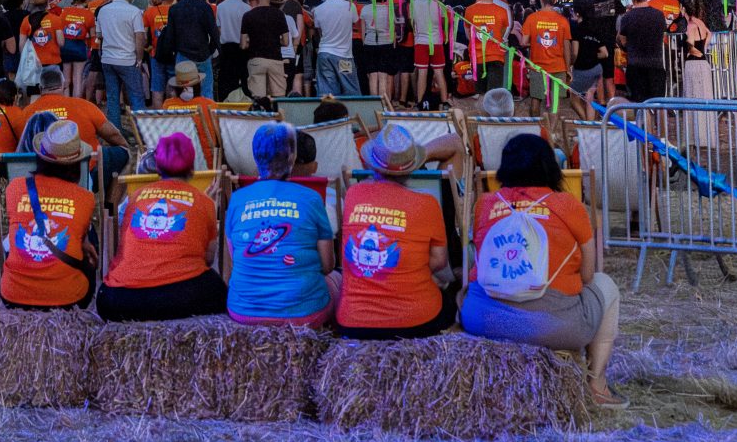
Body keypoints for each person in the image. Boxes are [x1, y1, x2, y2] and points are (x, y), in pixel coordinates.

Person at [461, 133, 623, 405]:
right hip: (552, 327)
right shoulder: (568, 205)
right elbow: (587, 275)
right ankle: (597, 385)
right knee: (606, 285)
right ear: (550, 165)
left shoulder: (485, 204)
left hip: (482, 320)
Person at [334, 125, 456, 340]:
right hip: (416, 320)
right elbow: (438, 262)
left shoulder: (354, 194)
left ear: (372, 163)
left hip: (353, 322)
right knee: (452, 297)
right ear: (413, 167)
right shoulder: (427, 204)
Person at [97, 134, 225, 321]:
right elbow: (208, 258)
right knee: (219, 290)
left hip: (118, 299)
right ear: (191, 165)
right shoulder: (203, 201)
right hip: (175, 297)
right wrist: (208, 209)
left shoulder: (136, 196)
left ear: (158, 165)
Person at [225, 121, 339, 325]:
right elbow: (327, 265)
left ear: (255, 157)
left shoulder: (237, 199)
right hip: (304, 315)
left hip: (243, 311)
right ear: (292, 158)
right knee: (338, 280)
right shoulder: (311, 198)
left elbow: (237, 259)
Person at [0, 120, 101, 310]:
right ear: (76, 164)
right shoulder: (85, 198)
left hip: (13, 297)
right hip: (68, 300)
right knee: (87, 233)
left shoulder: (14, 188)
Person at [95, 0, 149, 125]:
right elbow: (140, 37)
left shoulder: (103, 10)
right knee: (136, 97)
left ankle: (115, 133)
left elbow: (99, 35)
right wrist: (139, 58)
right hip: (128, 60)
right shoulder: (134, 11)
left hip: (108, 60)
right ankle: (142, 132)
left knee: (112, 98)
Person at [159, 0, 220, 101]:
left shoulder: (175, 9)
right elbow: (214, 32)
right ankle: (207, 117)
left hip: (183, 54)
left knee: (183, 92)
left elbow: (170, 35)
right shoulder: (205, 7)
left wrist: (169, 54)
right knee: (207, 92)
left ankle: (187, 119)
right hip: (203, 53)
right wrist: (211, 50)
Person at [521, 0, 574, 112]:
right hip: (558, 66)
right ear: (555, 1)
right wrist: (568, 67)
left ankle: (536, 127)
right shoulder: (562, 20)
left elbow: (523, 42)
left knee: (536, 98)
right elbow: (566, 47)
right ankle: (553, 130)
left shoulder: (532, 18)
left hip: (537, 66)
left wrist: (535, 43)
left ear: (541, 0)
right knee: (555, 103)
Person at [160, 59, 218, 165]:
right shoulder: (209, 105)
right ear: (199, 84)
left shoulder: (168, 106)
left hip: (177, 165)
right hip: (206, 166)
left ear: (176, 87)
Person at [461, 0, 513, 96]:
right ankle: (492, 114)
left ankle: (483, 114)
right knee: (493, 95)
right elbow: (502, 33)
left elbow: (468, 35)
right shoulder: (502, 10)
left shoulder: (469, 10)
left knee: (481, 94)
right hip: (496, 56)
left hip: (477, 57)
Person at [310, 0, 361, 98]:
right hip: (344, 56)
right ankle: (351, 114)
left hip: (325, 54)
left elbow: (320, 33)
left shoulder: (318, 10)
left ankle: (330, 114)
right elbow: (355, 23)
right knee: (350, 90)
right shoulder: (349, 6)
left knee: (327, 93)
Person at [240, 0, 290, 101]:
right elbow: (286, 41)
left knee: (259, 98)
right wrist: (274, 41)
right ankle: (279, 117)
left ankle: (261, 117)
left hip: (256, 60)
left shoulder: (248, 16)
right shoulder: (279, 14)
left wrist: (253, 42)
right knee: (279, 97)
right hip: (275, 59)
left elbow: (243, 45)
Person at [617, 0, 669, 103]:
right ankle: (659, 120)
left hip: (635, 65)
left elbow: (621, 39)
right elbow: (663, 34)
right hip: (656, 64)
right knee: (658, 103)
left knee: (639, 103)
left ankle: (643, 121)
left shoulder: (627, 17)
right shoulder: (659, 15)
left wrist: (626, 47)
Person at [571, 0, 617, 104]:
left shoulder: (595, 5)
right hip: (605, 42)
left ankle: (603, 104)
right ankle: (607, 106)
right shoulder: (609, 2)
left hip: (597, 43)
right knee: (606, 76)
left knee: (603, 77)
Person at [407, 0, 453, 109]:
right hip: (436, 41)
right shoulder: (438, 4)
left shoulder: (414, 4)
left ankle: (420, 103)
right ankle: (444, 102)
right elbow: (445, 24)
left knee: (422, 73)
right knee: (439, 72)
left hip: (420, 42)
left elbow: (411, 23)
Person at [358, 0, 401, 106]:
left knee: (372, 76)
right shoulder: (389, 10)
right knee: (383, 76)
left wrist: (365, 43)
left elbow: (363, 31)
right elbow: (393, 29)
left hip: (369, 43)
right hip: (386, 43)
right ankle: (384, 105)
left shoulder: (365, 9)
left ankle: (374, 105)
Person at [213, 0, 249, 103]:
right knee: (243, 77)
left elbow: (219, 28)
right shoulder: (246, 7)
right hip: (242, 47)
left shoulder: (221, 7)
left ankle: (225, 103)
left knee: (226, 79)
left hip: (226, 48)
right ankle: (244, 103)